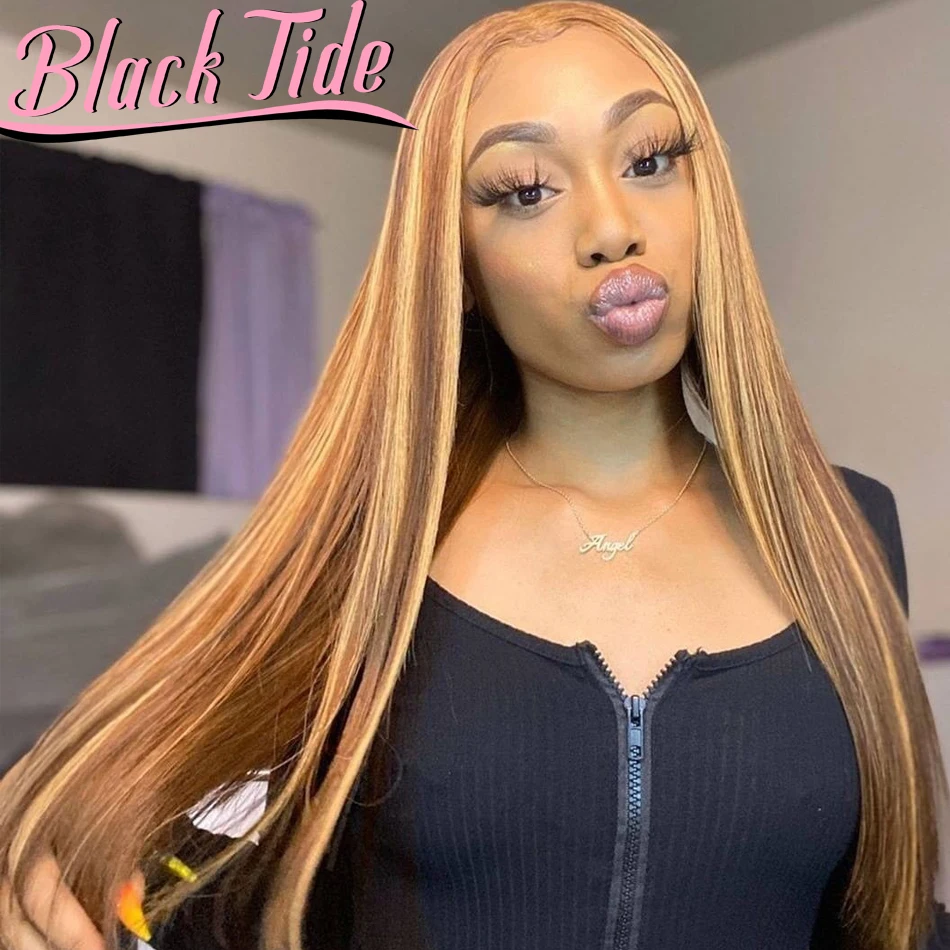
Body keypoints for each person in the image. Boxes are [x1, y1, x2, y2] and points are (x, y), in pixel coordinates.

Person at [1, 3, 948, 949]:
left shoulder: (849, 526)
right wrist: (37, 848)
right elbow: (133, 815)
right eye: (526, 190)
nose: (611, 227)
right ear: (457, 263)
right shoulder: (371, 546)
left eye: (649, 160)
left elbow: (883, 911)